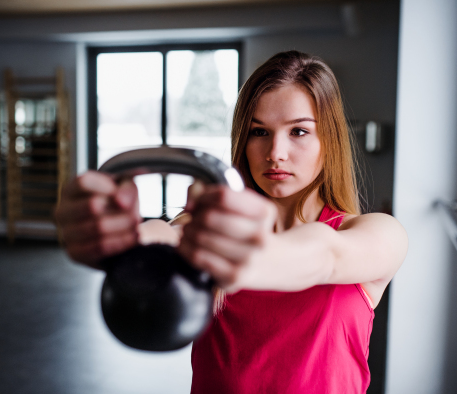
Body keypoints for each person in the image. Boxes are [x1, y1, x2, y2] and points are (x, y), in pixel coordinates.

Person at [55, 50, 408, 393]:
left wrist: (242, 255)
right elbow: (168, 235)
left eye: (298, 131)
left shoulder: (377, 234)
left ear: (327, 140)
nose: (275, 153)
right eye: (259, 132)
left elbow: (325, 256)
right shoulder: (207, 228)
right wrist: (124, 239)